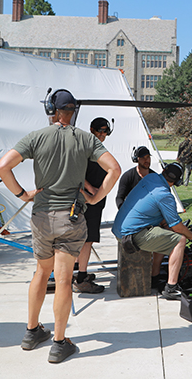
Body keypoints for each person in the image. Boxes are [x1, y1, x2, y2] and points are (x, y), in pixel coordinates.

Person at [0, 90, 120, 363]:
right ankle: (59, 343)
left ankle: (31, 332)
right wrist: (97, 196)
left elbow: (3, 166)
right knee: (64, 279)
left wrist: (23, 194)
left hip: (41, 216)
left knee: (41, 273)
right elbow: (115, 169)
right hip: (72, 216)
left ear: (51, 110)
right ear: (73, 111)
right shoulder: (86, 139)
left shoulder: (36, 137)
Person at [112, 163, 192, 299]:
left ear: (163, 171)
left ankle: (154, 276)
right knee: (179, 240)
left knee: (163, 231)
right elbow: (177, 227)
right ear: (177, 182)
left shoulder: (150, 178)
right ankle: (171, 288)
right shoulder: (164, 195)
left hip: (120, 228)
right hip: (130, 236)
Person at [73, 117, 114, 294]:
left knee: (86, 239)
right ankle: (80, 278)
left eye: (106, 131)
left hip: (95, 203)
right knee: (86, 240)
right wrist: (91, 191)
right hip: (85, 202)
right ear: (92, 129)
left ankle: (78, 272)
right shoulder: (86, 149)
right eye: (100, 130)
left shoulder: (99, 150)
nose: (102, 134)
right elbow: (76, 173)